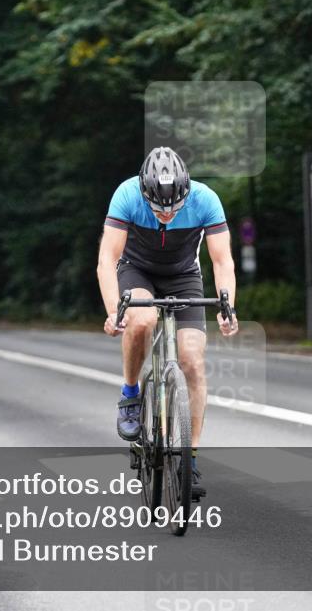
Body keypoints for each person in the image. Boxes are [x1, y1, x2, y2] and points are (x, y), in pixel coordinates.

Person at [97, 146, 239, 499]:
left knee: (192, 360)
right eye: (158, 208)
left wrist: (227, 306)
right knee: (142, 320)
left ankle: (188, 460)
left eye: (174, 208)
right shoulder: (127, 194)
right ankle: (131, 393)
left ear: (186, 191)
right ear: (145, 192)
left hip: (183, 275)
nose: (166, 215)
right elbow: (106, 260)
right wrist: (115, 310)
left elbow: (222, 262)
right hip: (136, 270)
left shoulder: (206, 199)